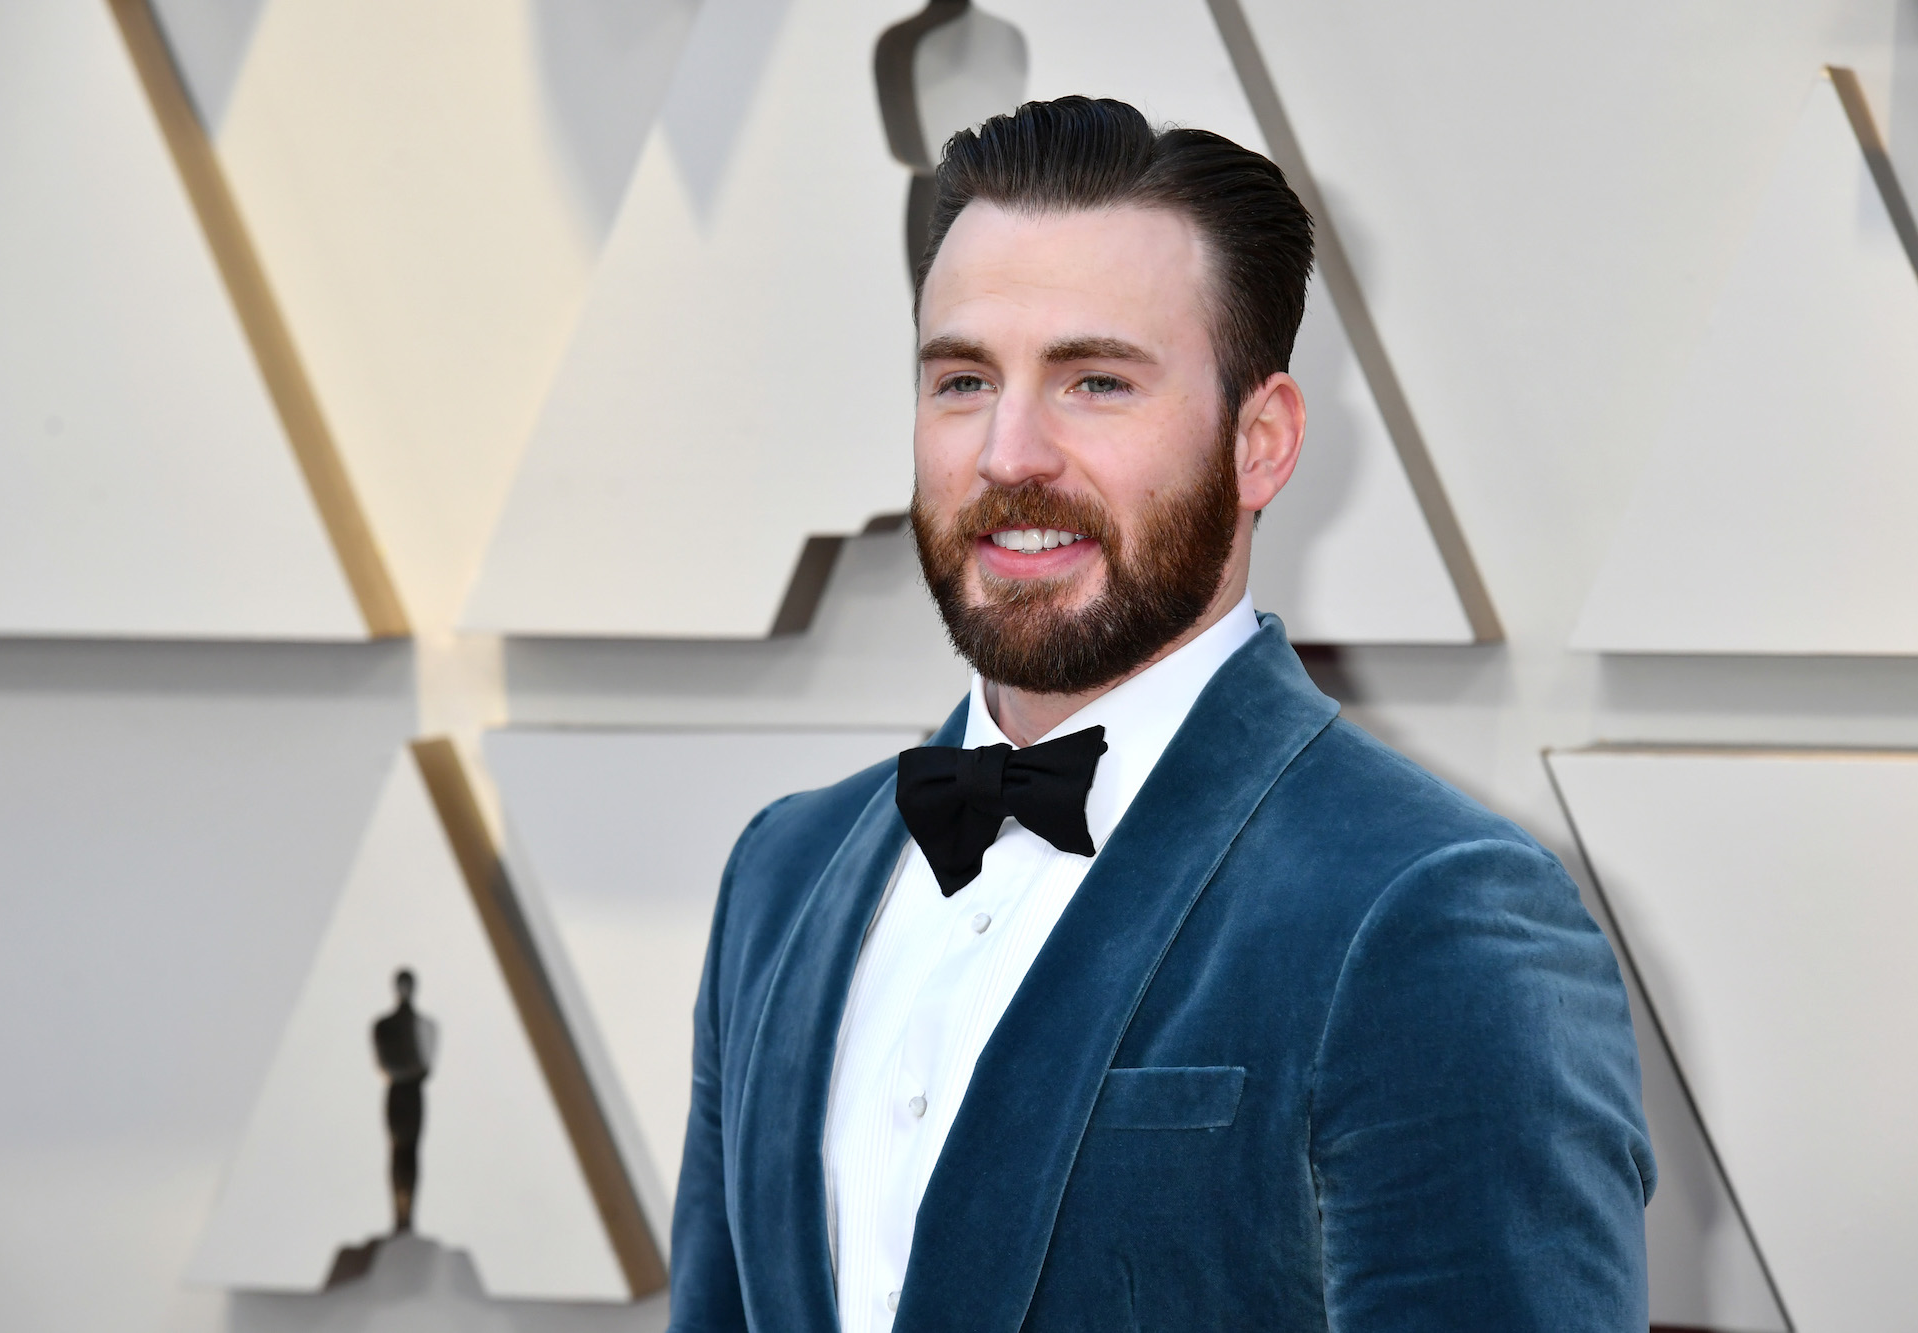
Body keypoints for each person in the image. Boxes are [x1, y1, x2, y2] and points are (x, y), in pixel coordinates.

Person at [668, 97, 1654, 1332]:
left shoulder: (1432, 911)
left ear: (1260, 442)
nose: (1009, 453)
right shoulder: (781, 870)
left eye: (1094, 381)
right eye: (963, 379)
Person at [372, 967, 437, 1234]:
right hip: (398, 1093)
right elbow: (385, 1064)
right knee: (398, 1152)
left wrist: (409, 1071)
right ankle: (399, 1215)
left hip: (412, 1094)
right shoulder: (383, 1026)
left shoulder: (426, 1026)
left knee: (411, 1154)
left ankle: (408, 1215)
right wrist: (407, 1071)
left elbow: (426, 1066)